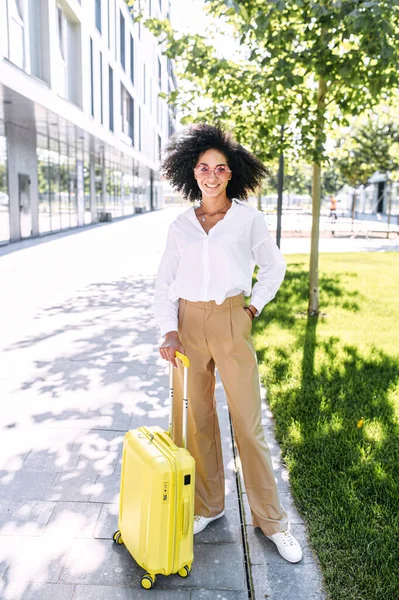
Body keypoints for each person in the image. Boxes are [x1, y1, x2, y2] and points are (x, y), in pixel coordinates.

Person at [153, 123, 302, 564]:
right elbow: (164, 282)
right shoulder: (181, 224)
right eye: (204, 168)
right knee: (198, 422)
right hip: (188, 323)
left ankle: (272, 522)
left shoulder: (248, 220)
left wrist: (252, 308)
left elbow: (274, 268)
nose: (212, 175)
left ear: (231, 173)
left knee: (248, 425)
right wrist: (169, 329)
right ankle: (209, 506)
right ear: (192, 172)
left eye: (220, 168)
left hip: (232, 319)